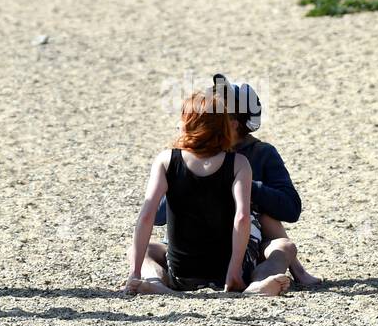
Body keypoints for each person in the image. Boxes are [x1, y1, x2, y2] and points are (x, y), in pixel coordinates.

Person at [153, 75, 321, 287]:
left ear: (236, 125)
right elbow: (159, 216)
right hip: (189, 248)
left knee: (271, 226)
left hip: (238, 246)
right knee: (146, 249)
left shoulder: (260, 154)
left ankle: (265, 280)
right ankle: (154, 281)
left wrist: (244, 187)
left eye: (218, 116)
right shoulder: (186, 157)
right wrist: (187, 183)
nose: (208, 122)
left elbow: (290, 209)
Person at [125, 88, 293, 296]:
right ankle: (257, 284)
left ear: (187, 124)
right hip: (225, 272)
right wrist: (234, 270)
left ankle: (156, 282)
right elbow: (242, 218)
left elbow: (147, 216)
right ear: (225, 127)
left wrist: (135, 271)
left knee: (140, 250)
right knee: (285, 248)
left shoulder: (166, 160)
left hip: (181, 272)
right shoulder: (239, 163)